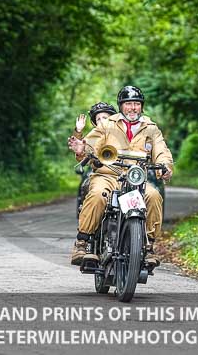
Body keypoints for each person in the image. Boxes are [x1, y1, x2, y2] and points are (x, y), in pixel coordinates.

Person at [68, 86, 174, 268]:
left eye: (136, 104)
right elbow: (90, 144)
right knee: (98, 194)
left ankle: (149, 248)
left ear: (141, 106)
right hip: (108, 175)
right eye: (128, 104)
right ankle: (82, 244)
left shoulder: (151, 128)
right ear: (121, 106)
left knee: (154, 196)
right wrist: (82, 149)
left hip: (135, 179)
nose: (133, 108)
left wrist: (165, 166)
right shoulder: (107, 124)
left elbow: (161, 150)